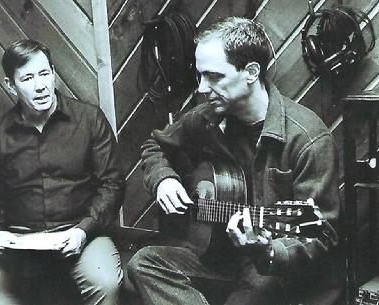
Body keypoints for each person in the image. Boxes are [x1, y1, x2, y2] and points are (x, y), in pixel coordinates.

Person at [127, 17, 343, 305]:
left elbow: (319, 234)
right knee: (143, 263)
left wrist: (266, 250)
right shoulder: (208, 118)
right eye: (200, 75)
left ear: (251, 72)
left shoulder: (307, 139)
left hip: (272, 269)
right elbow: (155, 145)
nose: (202, 88)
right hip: (218, 256)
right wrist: (163, 179)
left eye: (214, 77)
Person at [0, 39, 125, 305]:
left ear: (54, 73)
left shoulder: (89, 120)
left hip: (81, 231)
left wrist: (83, 230)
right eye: (28, 78)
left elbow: (112, 184)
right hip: (21, 239)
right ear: (10, 85)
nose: (40, 85)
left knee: (106, 283)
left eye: (45, 74)